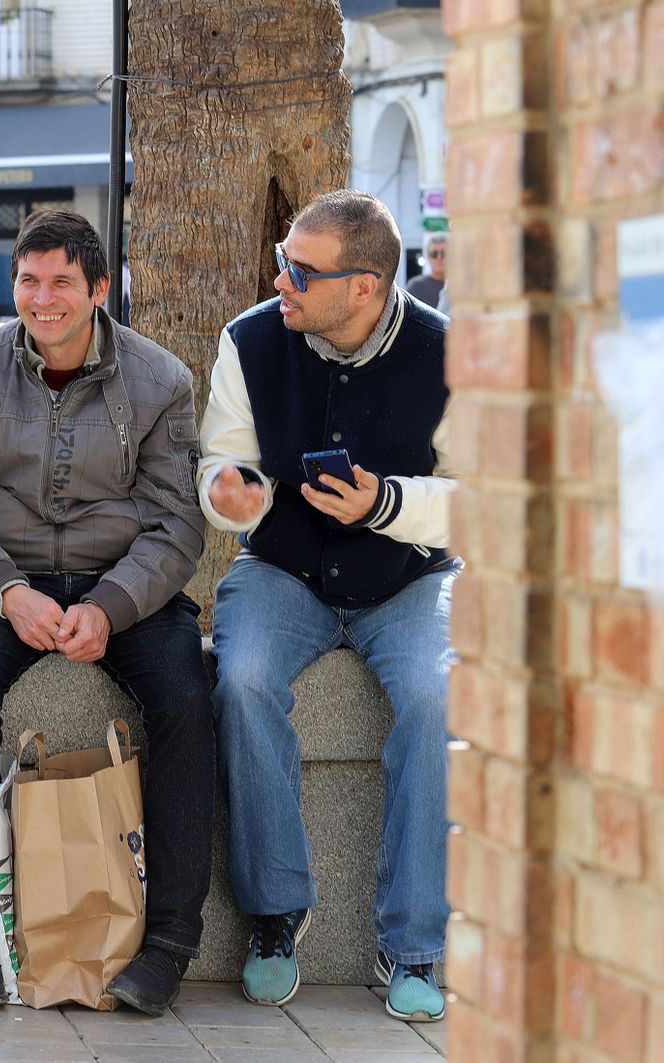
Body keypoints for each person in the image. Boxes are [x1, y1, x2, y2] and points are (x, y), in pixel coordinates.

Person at [0, 210, 213, 1016]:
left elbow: (178, 522)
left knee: (189, 695)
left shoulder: (160, 380)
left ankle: (171, 941)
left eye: (61, 284)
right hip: (3, 584)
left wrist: (113, 606)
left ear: (99, 290)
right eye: (27, 281)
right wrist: (6, 590)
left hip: (126, 586)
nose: (41, 301)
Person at [199, 189, 455, 1023]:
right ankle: (275, 915)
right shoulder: (250, 339)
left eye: (302, 271)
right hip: (284, 571)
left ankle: (413, 942)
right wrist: (226, 496)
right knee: (239, 678)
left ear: (366, 287)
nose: (282, 282)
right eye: (283, 258)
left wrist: (386, 503)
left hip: (409, 574)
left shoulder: (451, 355)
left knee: (437, 695)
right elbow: (224, 460)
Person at [404, 232, 446, 309]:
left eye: (444, 253)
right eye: (434, 254)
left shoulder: (458, 286)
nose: (439, 258)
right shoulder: (416, 287)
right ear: (428, 256)